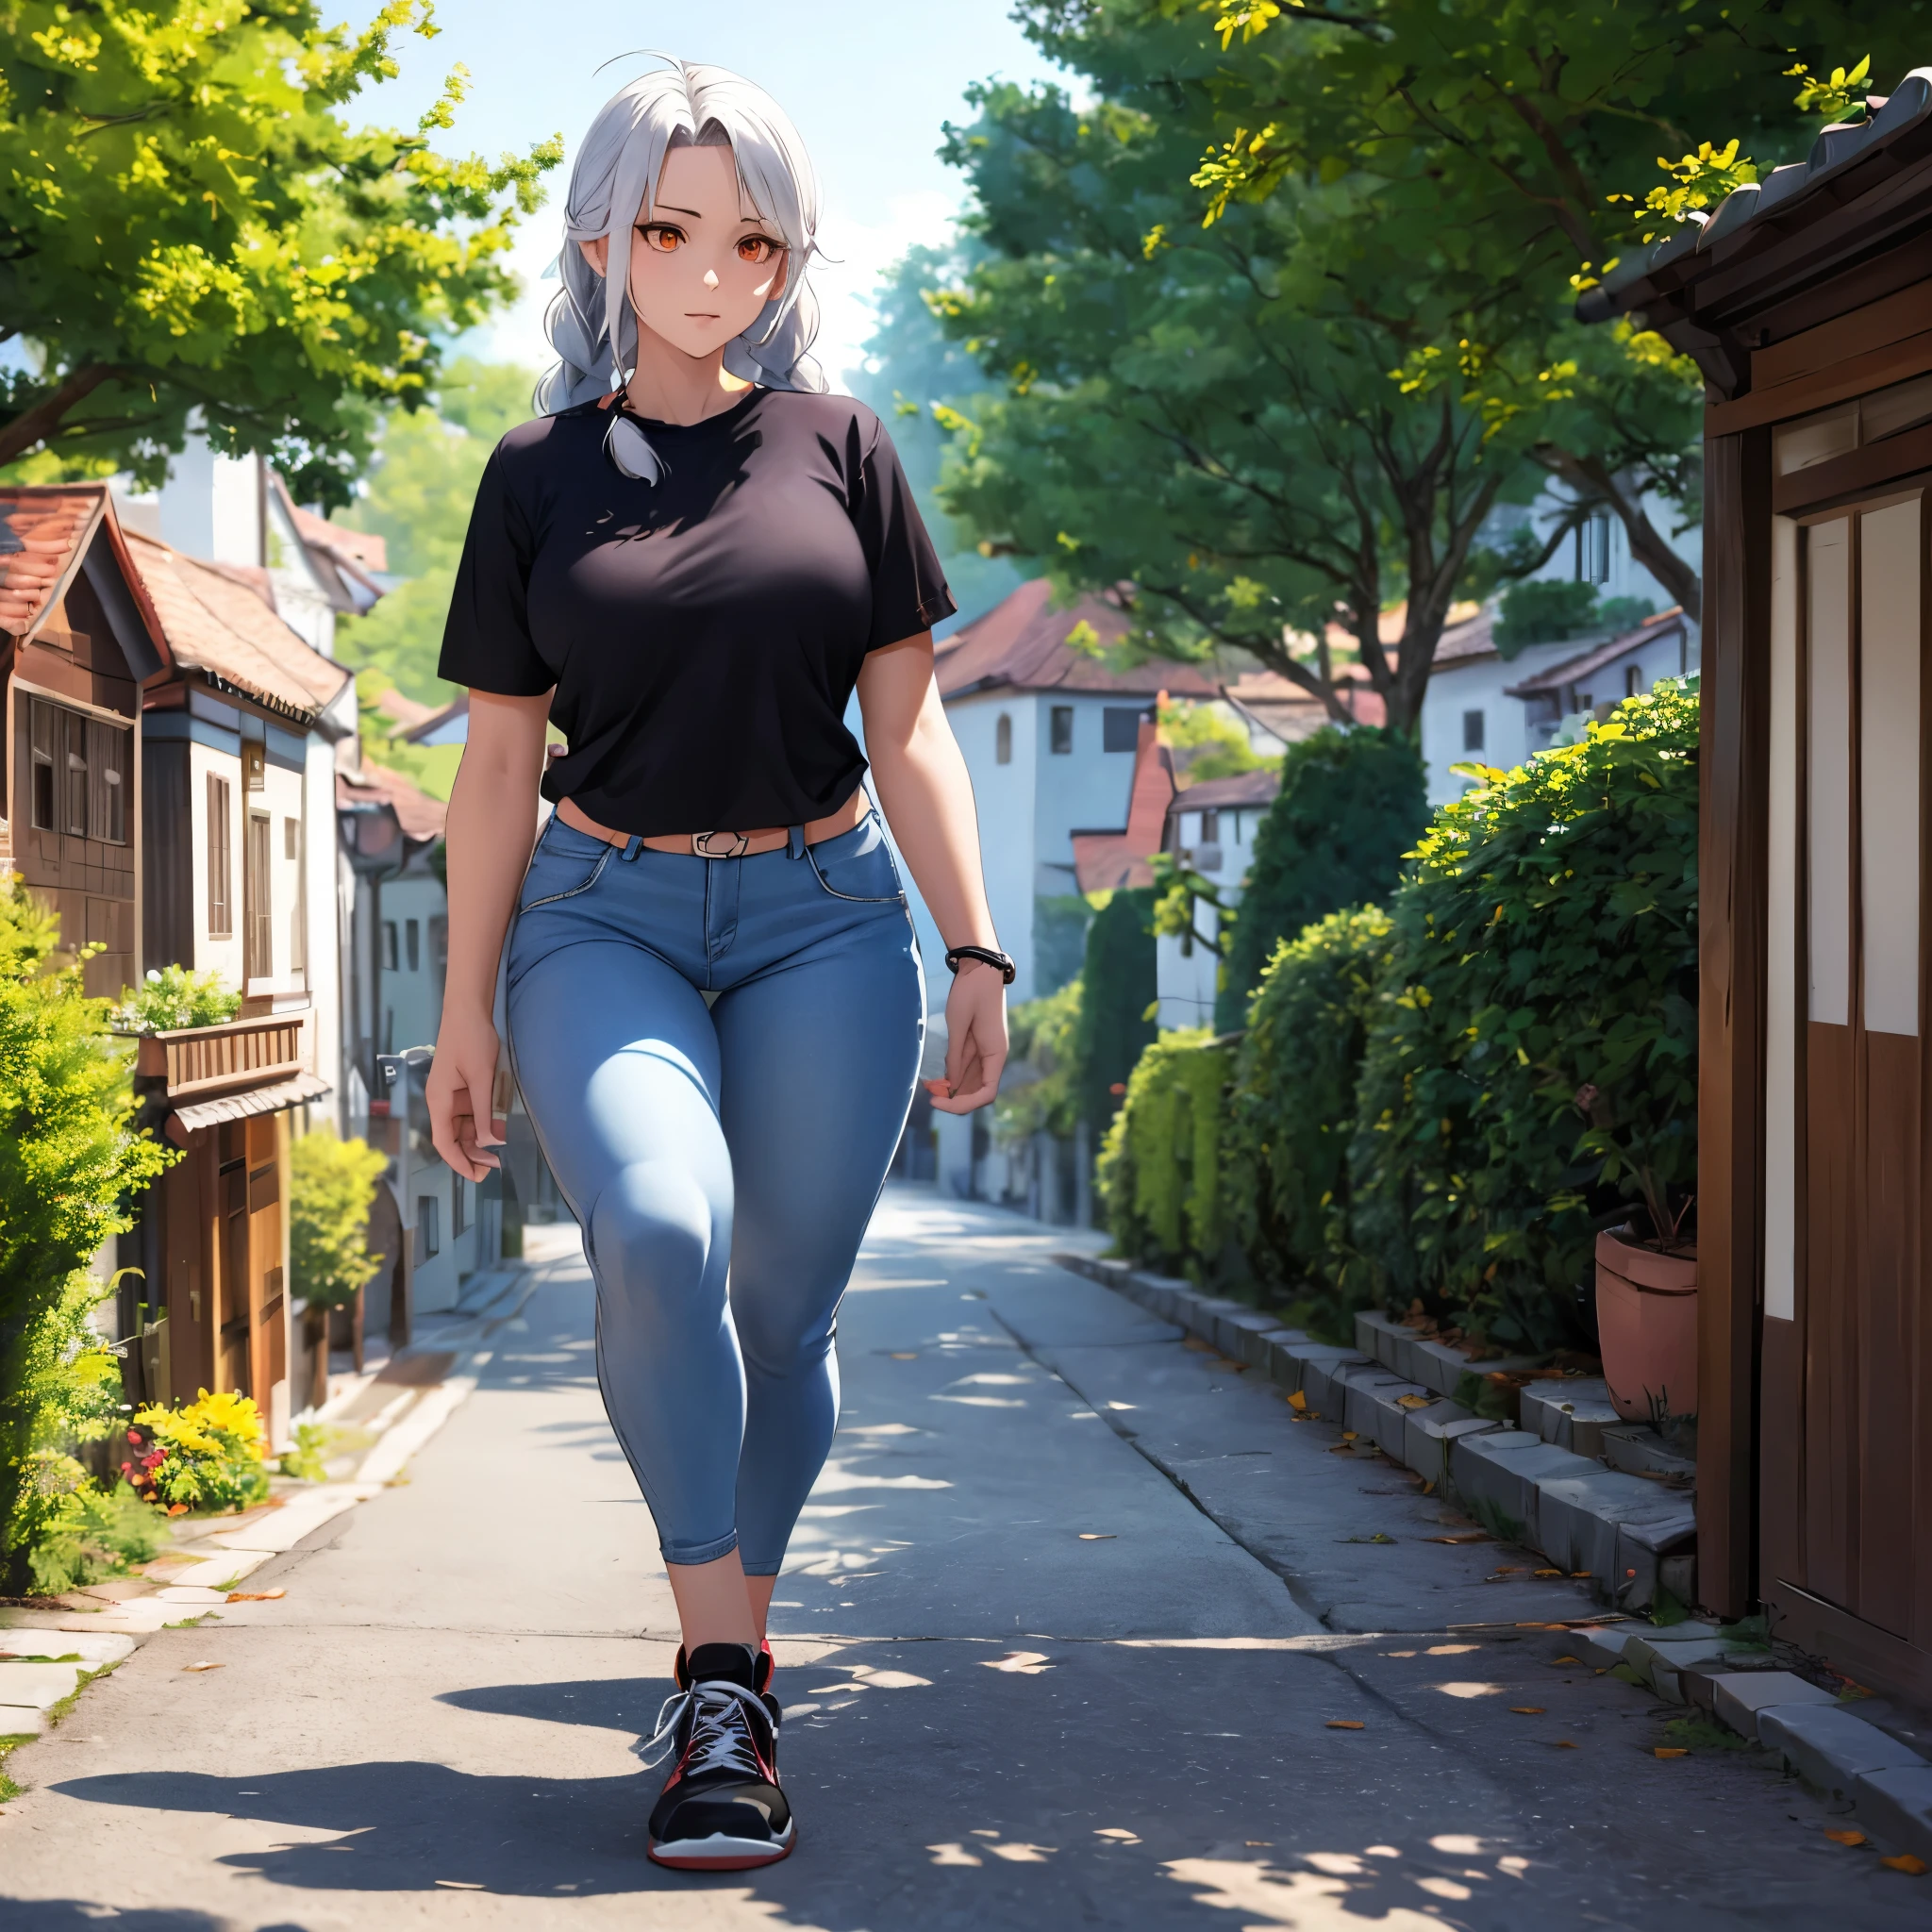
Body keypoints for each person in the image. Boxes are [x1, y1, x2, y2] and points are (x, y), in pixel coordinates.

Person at [426, 58, 1009, 1872]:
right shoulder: (532, 477)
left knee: (783, 1318)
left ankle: (726, 1669)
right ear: (600, 233)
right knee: (658, 1232)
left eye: (748, 235)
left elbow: (909, 734)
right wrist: (461, 1008)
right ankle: (719, 1672)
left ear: (785, 251)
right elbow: (500, 763)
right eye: (668, 227)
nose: (706, 268)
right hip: (600, 917)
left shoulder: (844, 446)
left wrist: (974, 942)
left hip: (826, 915)